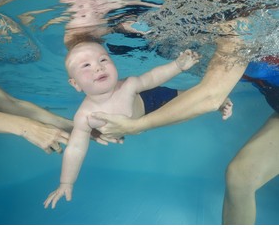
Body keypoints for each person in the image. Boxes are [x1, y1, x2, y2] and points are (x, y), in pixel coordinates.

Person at [89, 0, 279, 224]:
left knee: (240, 176)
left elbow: (210, 96)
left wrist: (137, 125)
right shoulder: (197, 8)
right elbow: (207, 89)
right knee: (241, 177)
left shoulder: (238, 12)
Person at [43, 41, 233, 209]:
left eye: (103, 60)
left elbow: (151, 78)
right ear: (75, 83)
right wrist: (66, 182)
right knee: (183, 111)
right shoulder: (84, 116)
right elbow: (75, 148)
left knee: (187, 100)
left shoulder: (128, 85)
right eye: (86, 65)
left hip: (152, 99)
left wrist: (177, 66)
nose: (98, 68)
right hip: (140, 119)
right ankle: (213, 103)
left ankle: (216, 102)